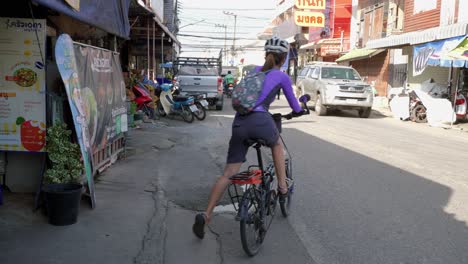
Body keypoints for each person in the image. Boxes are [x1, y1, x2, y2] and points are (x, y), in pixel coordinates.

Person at [192, 36, 305, 239]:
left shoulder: (253, 72)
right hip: (261, 121)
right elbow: (295, 107)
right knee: (277, 145)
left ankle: (206, 214)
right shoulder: (282, 77)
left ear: (266, 55)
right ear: (284, 58)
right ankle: (282, 187)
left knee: (228, 173)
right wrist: (300, 110)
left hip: (239, 123)